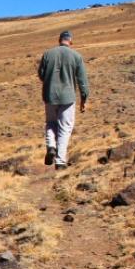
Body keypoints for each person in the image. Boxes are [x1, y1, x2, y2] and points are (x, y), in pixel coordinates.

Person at [38, 30, 89, 170]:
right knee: (65, 128)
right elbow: (82, 81)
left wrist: (50, 83)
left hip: (49, 95)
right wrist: (84, 99)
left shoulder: (48, 54)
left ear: (59, 40)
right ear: (70, 41)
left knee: (50, 123)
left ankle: (51, 146)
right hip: (68, 97)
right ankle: (60, 161)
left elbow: (41, 75)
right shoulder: (76, 56)